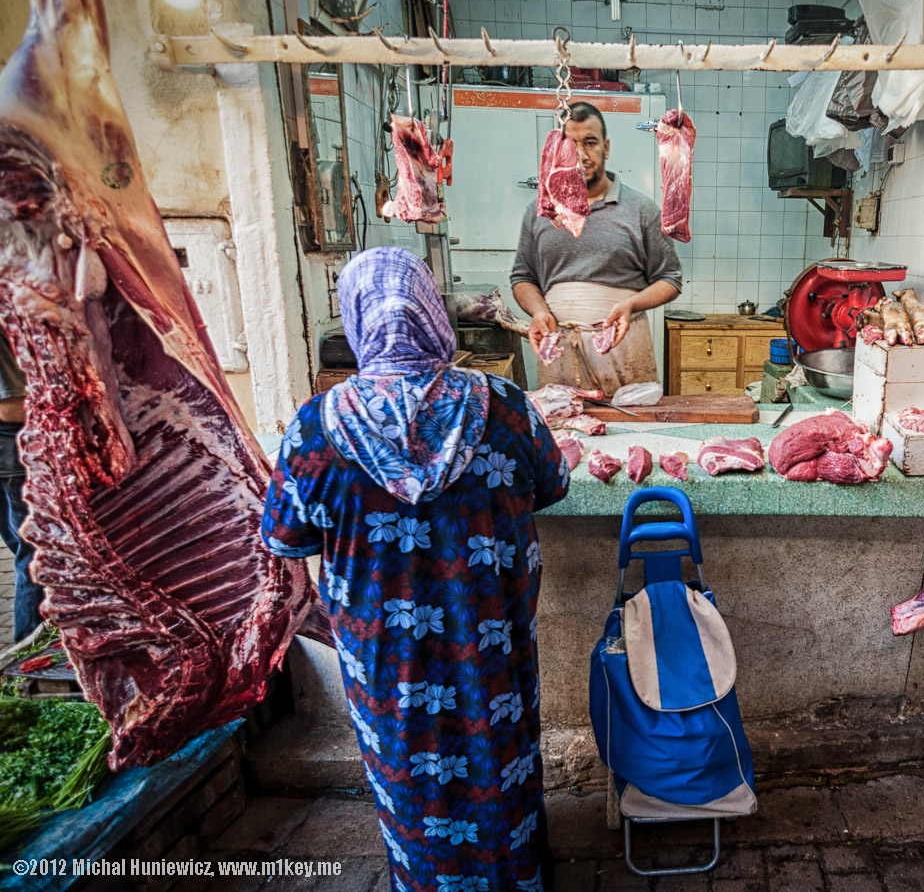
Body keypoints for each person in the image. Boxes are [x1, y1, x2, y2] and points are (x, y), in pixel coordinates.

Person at [261, 247, 569, 892]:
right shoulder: (505, 407)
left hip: (385, 656)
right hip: (491, 642)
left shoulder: (316, 428)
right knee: (499, 753)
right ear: (433, 314)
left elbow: (286, 539)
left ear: (356, 321)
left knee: (406, 766)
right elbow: (551, 485)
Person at [511, 101, 683, 394]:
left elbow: (670, 279)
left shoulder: (642, 210)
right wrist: (539, 311)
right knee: (564, 433)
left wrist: (631, 305)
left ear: (606, 147)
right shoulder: (540, 211)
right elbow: (523, 277)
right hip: (559, 349)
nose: (581, 153)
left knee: (637, 432)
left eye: (590, 142)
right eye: (570, 144)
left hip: (624, 349)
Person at [0, 331, 40, 643]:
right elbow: (12, 408)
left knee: (21, 551)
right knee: (35, 557)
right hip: (12, 456)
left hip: (8, 460)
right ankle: (30, 652)